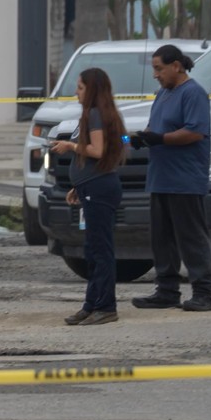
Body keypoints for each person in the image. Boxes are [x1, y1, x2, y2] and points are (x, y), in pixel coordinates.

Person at [130, 44, 211, 312]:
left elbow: (194, 132)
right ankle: (167, 290)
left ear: (176, 66)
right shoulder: (163, 95)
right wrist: (141, 137)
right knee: (162, 238)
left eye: (159, 69)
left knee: (191, 237)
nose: (155, 74)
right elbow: (154, 127)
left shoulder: (194, 94)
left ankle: (204, 292)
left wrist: (161, 139)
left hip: (185, 180)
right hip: (161, 178)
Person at [49, 67, 127, 326]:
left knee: (100, 250)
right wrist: (78, 185)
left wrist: (70, 146)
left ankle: (106, 306)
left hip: (99, 189)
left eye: (80, 87)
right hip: (93, 186)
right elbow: (110, 152)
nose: (76, 92)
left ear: (92, 89)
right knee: (93, 250)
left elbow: (97, 150)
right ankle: (91, 304)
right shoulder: (104, 114)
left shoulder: (95, 114)